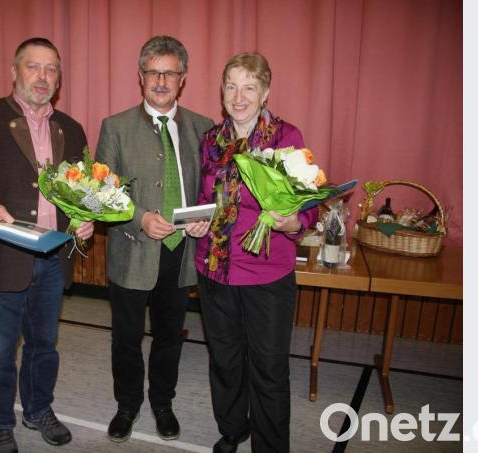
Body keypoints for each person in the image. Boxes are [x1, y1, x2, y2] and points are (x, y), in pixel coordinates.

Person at [0, 37, 93, 453]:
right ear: (14, 71)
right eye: (33, 66)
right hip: (2, 257)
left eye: (51, 69)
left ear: (59, 79)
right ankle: (0, 422)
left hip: (53, 258)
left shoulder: (72, 129)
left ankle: (38, 409)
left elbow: (81, 194)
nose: (42, 77)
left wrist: (84, 220)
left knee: (44, 346)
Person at [194, 52, 318, 453]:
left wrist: (294, 222)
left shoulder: (286, 138)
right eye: (231, 85)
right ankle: (233, 429)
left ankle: (269, 446)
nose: (239, 95)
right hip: (215, 269)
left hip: (266, 273)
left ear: (265, 92)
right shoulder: (211, 140)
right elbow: (204, 199)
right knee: (225, 359)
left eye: (249, 86)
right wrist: (195, 221)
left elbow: (309, 203)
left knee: (268, 367)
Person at [95, 35, 213, 443]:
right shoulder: (115, 127)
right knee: (126, 339)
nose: (161, 80)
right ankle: (127, 405)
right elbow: (102, 193)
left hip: (181, 254)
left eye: (170, 73)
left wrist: (204, 220)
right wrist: (140, 218)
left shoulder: (203, 128)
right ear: (141, 76)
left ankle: (163, 403)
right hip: (132, 251)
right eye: (153, 72)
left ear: (183, 79)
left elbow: (211, 191)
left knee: (169, 337)